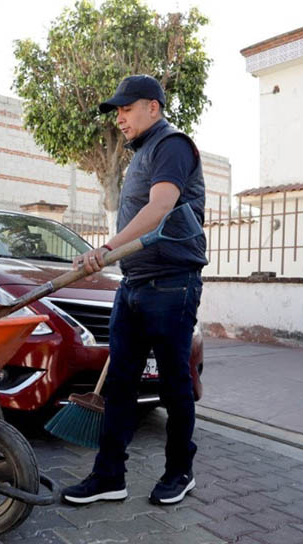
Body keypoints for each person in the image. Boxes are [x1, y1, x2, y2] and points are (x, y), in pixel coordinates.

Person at [61, 75, 206, 507]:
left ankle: (179, 472)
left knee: (173, 384)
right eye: (117, 111)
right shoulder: (141, 155)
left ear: (153, 108)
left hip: (172, 284)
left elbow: (160, 208)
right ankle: (109, 476)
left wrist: (106, 248)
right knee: (119, 385)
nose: (119, 118)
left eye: (127, 109)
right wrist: (114, 257)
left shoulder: (172, 146)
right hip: (135, 285)